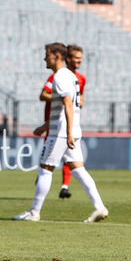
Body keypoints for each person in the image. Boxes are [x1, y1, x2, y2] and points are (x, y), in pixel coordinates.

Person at [13, 43, 108, 223]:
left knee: (45, 169)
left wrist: (68, 132)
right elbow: (66, 107)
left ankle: (34, 212)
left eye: (47, 55)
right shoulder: (71, 76)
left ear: (57, 56)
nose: (44, 58)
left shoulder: (60, 76)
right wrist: (46, 126)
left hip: (62, 133)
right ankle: (99, 207)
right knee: (78, 169)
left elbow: (68, 104)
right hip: (71, 129)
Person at [38, 44, 86, 199]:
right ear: (68, 59)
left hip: (64, 126)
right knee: (73, 166)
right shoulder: (58, 76)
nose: (79, 61)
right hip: (57, 123)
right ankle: (98, 205)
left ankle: (61, 188)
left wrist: (76, 101)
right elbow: (44, 95)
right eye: (77, 58)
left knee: (46, 168)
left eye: (80, 58)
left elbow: (74, 100)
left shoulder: (76, 78)